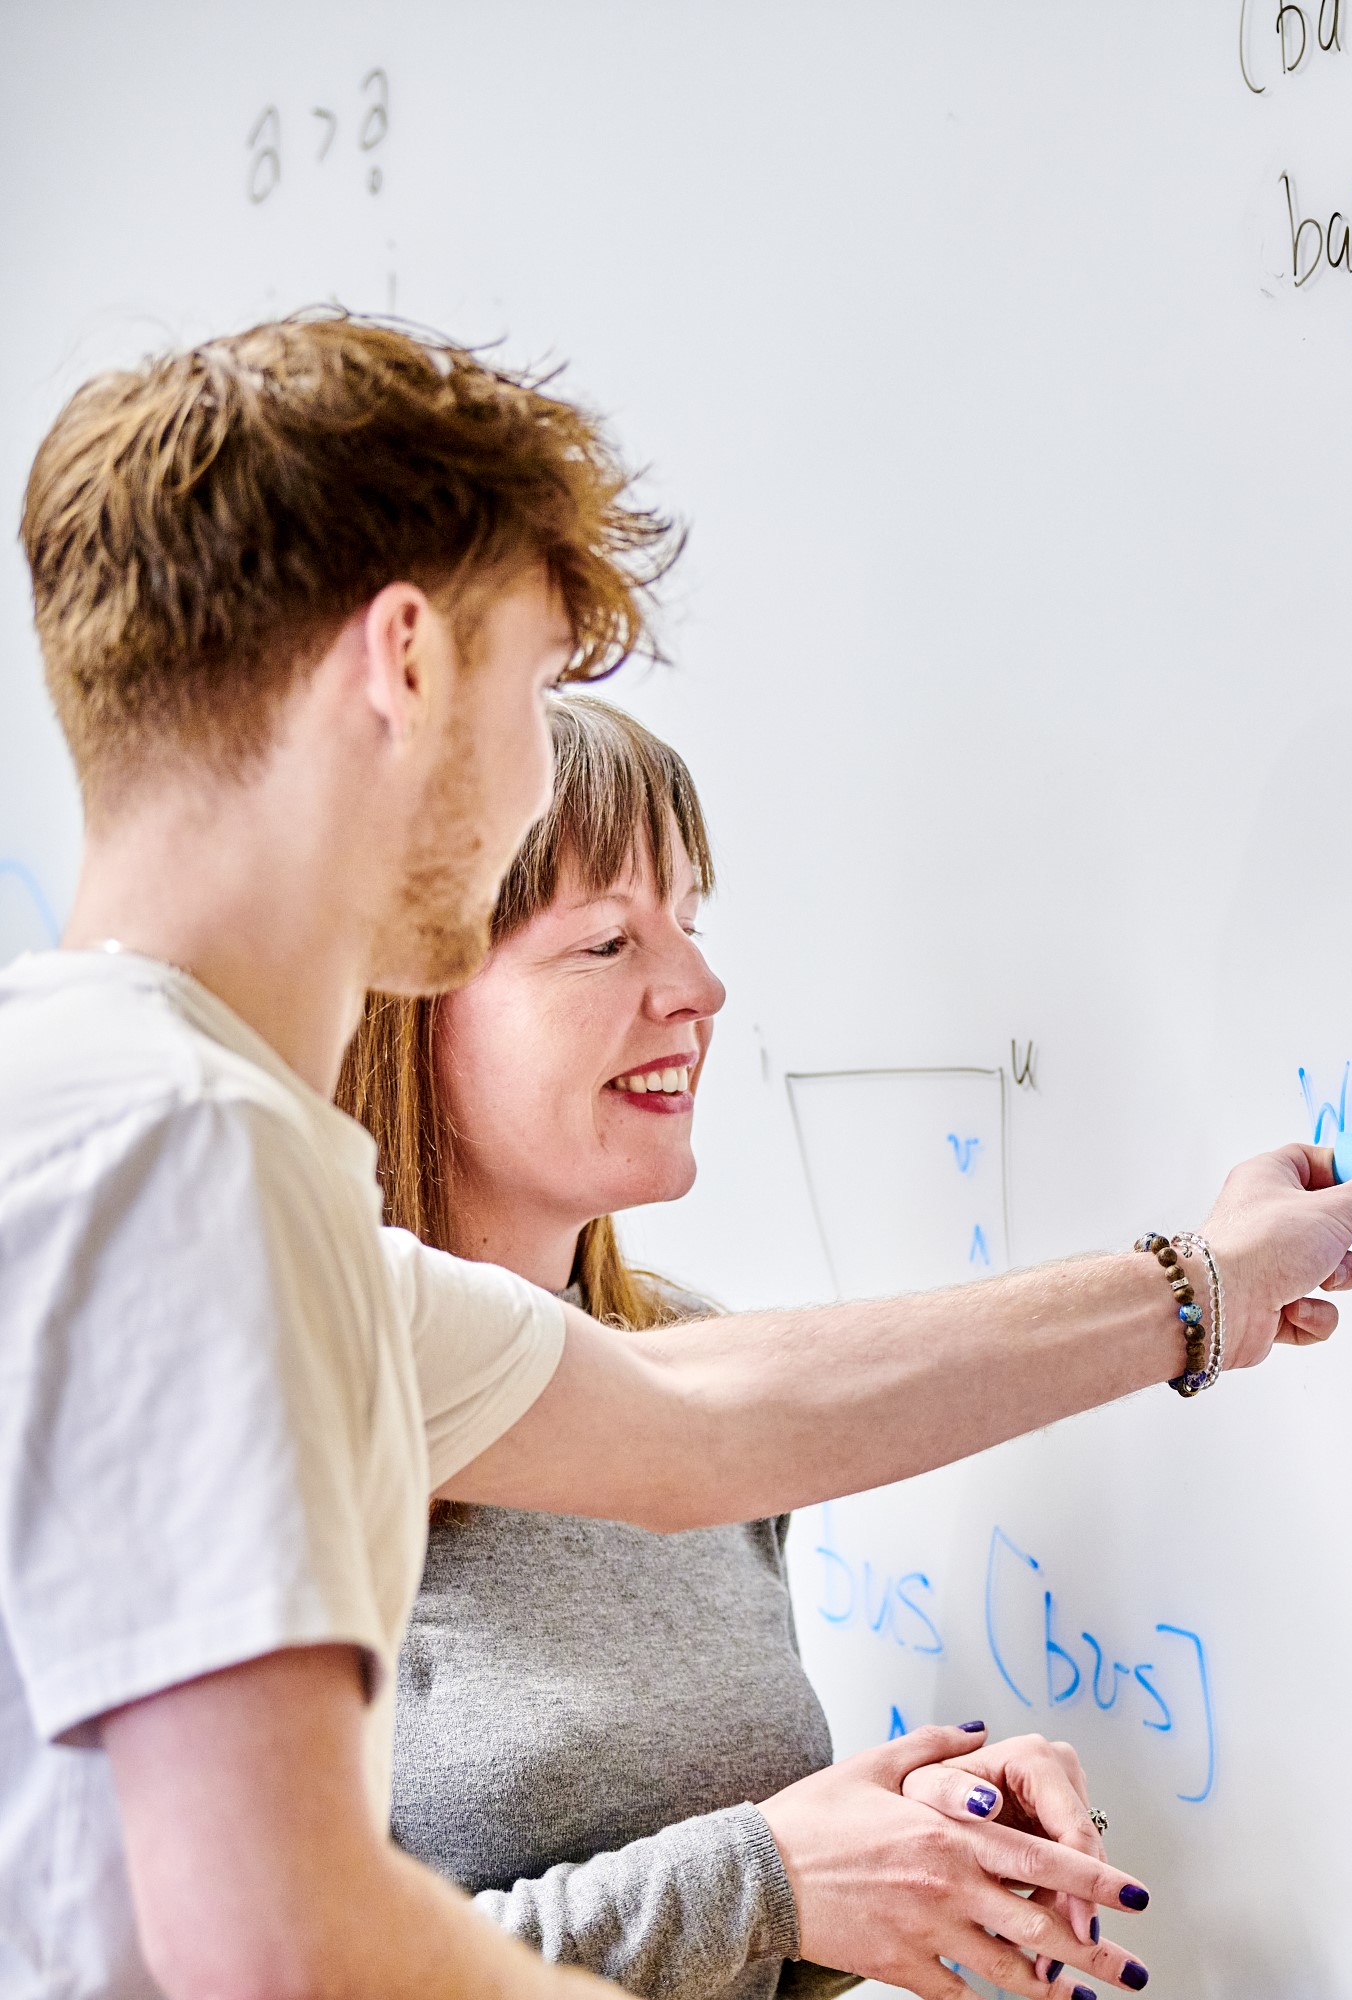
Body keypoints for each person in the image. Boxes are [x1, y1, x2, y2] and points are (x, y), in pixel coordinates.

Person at [0, 313, 1352, 1999]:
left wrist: (1209, 1288)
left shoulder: (116, 1118)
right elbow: (283, 1952)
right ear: (405, 665)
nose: (540, 758)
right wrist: (763, 1887)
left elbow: (695, 1420)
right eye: (539, 687)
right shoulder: (189, 1155)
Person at [339, 693, 1126, 2000]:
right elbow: (319, 1970)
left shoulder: (696, 1358)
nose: (700, 991)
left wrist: (907, 1844)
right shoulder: (306, 1408)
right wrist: (772, 1872)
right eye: (607, 942)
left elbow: (742, 1935)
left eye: (691, 927)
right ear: (412, 998)